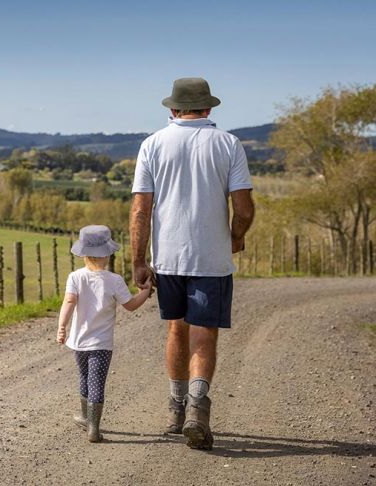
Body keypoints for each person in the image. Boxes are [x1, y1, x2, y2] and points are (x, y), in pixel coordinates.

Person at [129, 77, 255, 450]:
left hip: (168, 257)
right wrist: (235, 236)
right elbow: (244, 208)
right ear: (209, 108)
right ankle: (198, 409)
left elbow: (140, 209)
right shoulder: (228, 144)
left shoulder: (151, 145)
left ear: (172, 109)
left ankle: (175, 408)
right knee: (204, 333)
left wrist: (138, 260)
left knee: (176, 330)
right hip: (211, 257)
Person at [56, 225, 152, 442]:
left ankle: (84, 416)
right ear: (107, 253)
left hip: (78, 342)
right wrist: (145, 292)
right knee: (97, 382)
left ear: (84, 253)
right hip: (101, 344)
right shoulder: (114, 280)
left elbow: (69, 302)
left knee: (84, 377)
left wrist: (62, 327)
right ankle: (93, 428)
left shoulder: (75, 277)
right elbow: (131, 305)